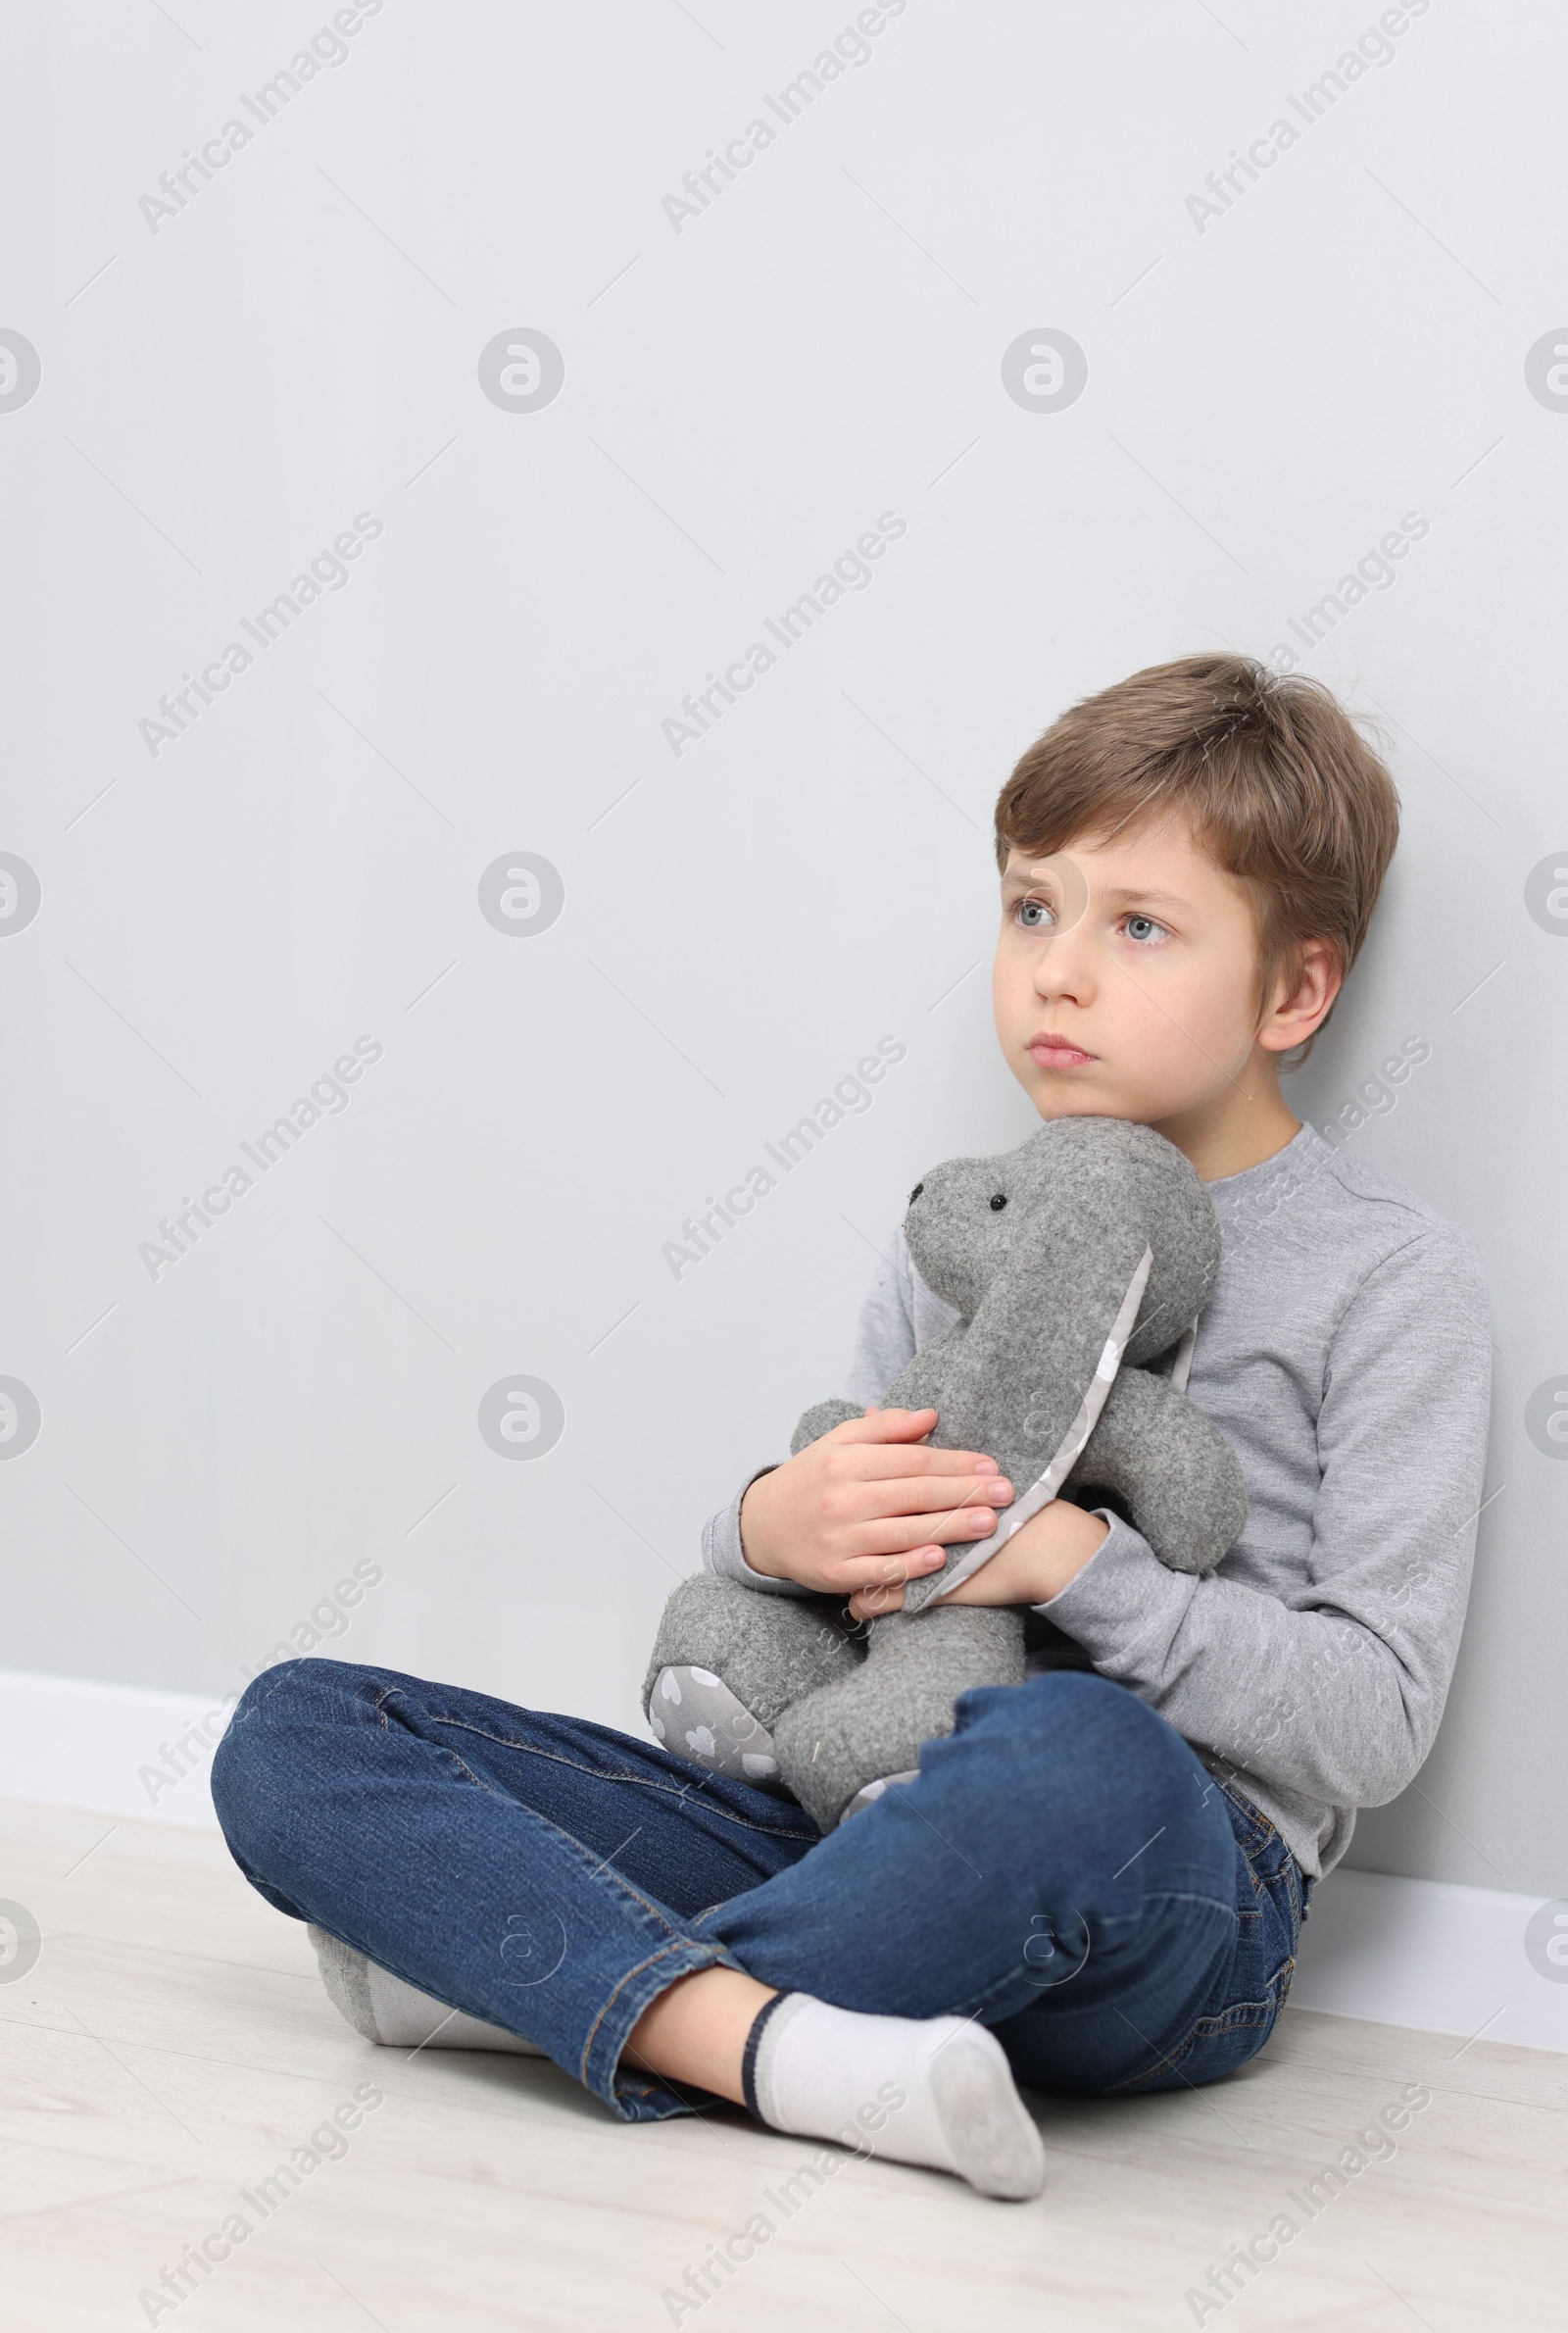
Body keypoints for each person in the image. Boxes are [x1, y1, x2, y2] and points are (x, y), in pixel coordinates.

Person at [211, 653, 1492, 2204]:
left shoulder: (1390, 1274)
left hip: (1167, 1885)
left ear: (1293, 988)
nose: (1056, 973)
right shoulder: (958, 1226)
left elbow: (1376, 1719)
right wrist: (768, 1527)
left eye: (1137, 926)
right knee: (300, 1728)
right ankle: (784, 2049)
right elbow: (836, 1616)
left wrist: (1081, 1571)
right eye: (1032, 907)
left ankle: (559, 1990)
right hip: (842, 1822)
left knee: (1073, 1750)